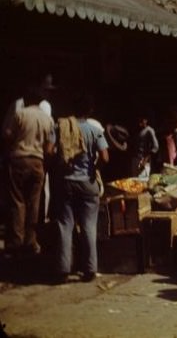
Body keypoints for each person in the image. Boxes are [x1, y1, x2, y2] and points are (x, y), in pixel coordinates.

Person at [54, 94, 109, 283]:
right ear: (90, 111)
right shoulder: (96, 130)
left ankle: (63, 269)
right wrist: (94, 169)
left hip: (66, 181)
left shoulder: (59, 127)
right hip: (88, 182)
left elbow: (49, 150)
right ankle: (90, 269)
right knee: (88, 225)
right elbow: (105, 156)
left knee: (65, 225)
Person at [3, 86, 56, 256]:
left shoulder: (20, 114)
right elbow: (49, 148)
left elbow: (7, 134)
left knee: (17, 202)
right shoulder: (47, 119)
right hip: (37, 162)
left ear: (26, 101)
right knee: (34, 203)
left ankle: (16, 242)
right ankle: (31, 241)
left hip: (18, 159)